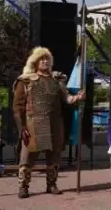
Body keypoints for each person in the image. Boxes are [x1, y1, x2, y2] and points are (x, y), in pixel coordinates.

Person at [12, 47, 85, 199]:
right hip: (33, 125)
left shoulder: (56, 80)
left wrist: (77, 97)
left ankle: (51, 184)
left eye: (47, 59)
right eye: (42, 59)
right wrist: (22, 127)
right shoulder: (25, 81)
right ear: (36, 62)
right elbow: (17, 108)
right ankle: (23, 186)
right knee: (27, 159)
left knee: (54, 157)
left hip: (54, 124)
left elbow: (67, 98)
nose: (45, 61)